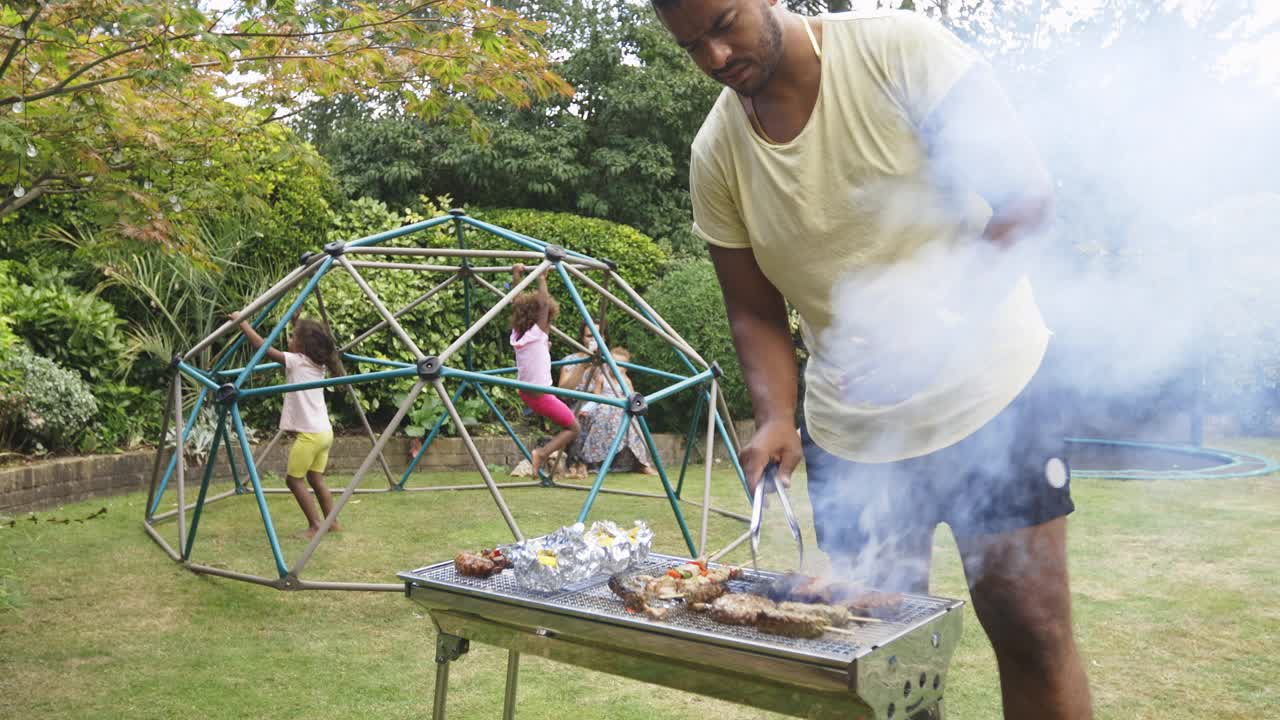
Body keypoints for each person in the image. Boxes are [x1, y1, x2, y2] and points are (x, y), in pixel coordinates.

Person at [651, 2, 1091, 719]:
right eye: (692, 45)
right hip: (855, 432)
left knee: (1031, 632)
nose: (717, 56)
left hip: (992, 394)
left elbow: (1027, 200)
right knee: (878, 656)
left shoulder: (898, 50)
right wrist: (775, 415)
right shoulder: (718, 153)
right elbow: (753, 308)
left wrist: (935, 330)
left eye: (724, 23)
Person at [232, 313, 343, 540]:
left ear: (302, 346)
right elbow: (306, 339)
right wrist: (296, 320)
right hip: (324, 432)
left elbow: (261, 347)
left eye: (292, 337)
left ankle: (314, 526)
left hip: (311, 436)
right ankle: (332, 523)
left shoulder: (296, 361)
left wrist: (241, 322)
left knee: (293, 480)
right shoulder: (317, 364)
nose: (288, 340)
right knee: (315, 479)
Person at [510, 264, 580, 479]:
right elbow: (543, 304)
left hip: (527, 392)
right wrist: (541, 278)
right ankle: (541, 453)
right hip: (541, 395)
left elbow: (515, 303)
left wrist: (517, 276)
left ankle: (541, 455)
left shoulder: (518, 336)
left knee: (568, 425)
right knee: (574, 429)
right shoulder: (539, 332)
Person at [559, 332, 658, 475]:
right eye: (613, 363)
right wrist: (587, 409)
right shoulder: (602, 377)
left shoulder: (626, 381)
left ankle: (642, 462)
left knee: (634, 421)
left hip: (621, 408)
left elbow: (632, 397)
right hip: (603, 406)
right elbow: (596, 398)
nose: (616, 368)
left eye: (620, 365)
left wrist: (637, 407)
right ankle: (589, 460)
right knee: (604, 414)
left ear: (626, 368)